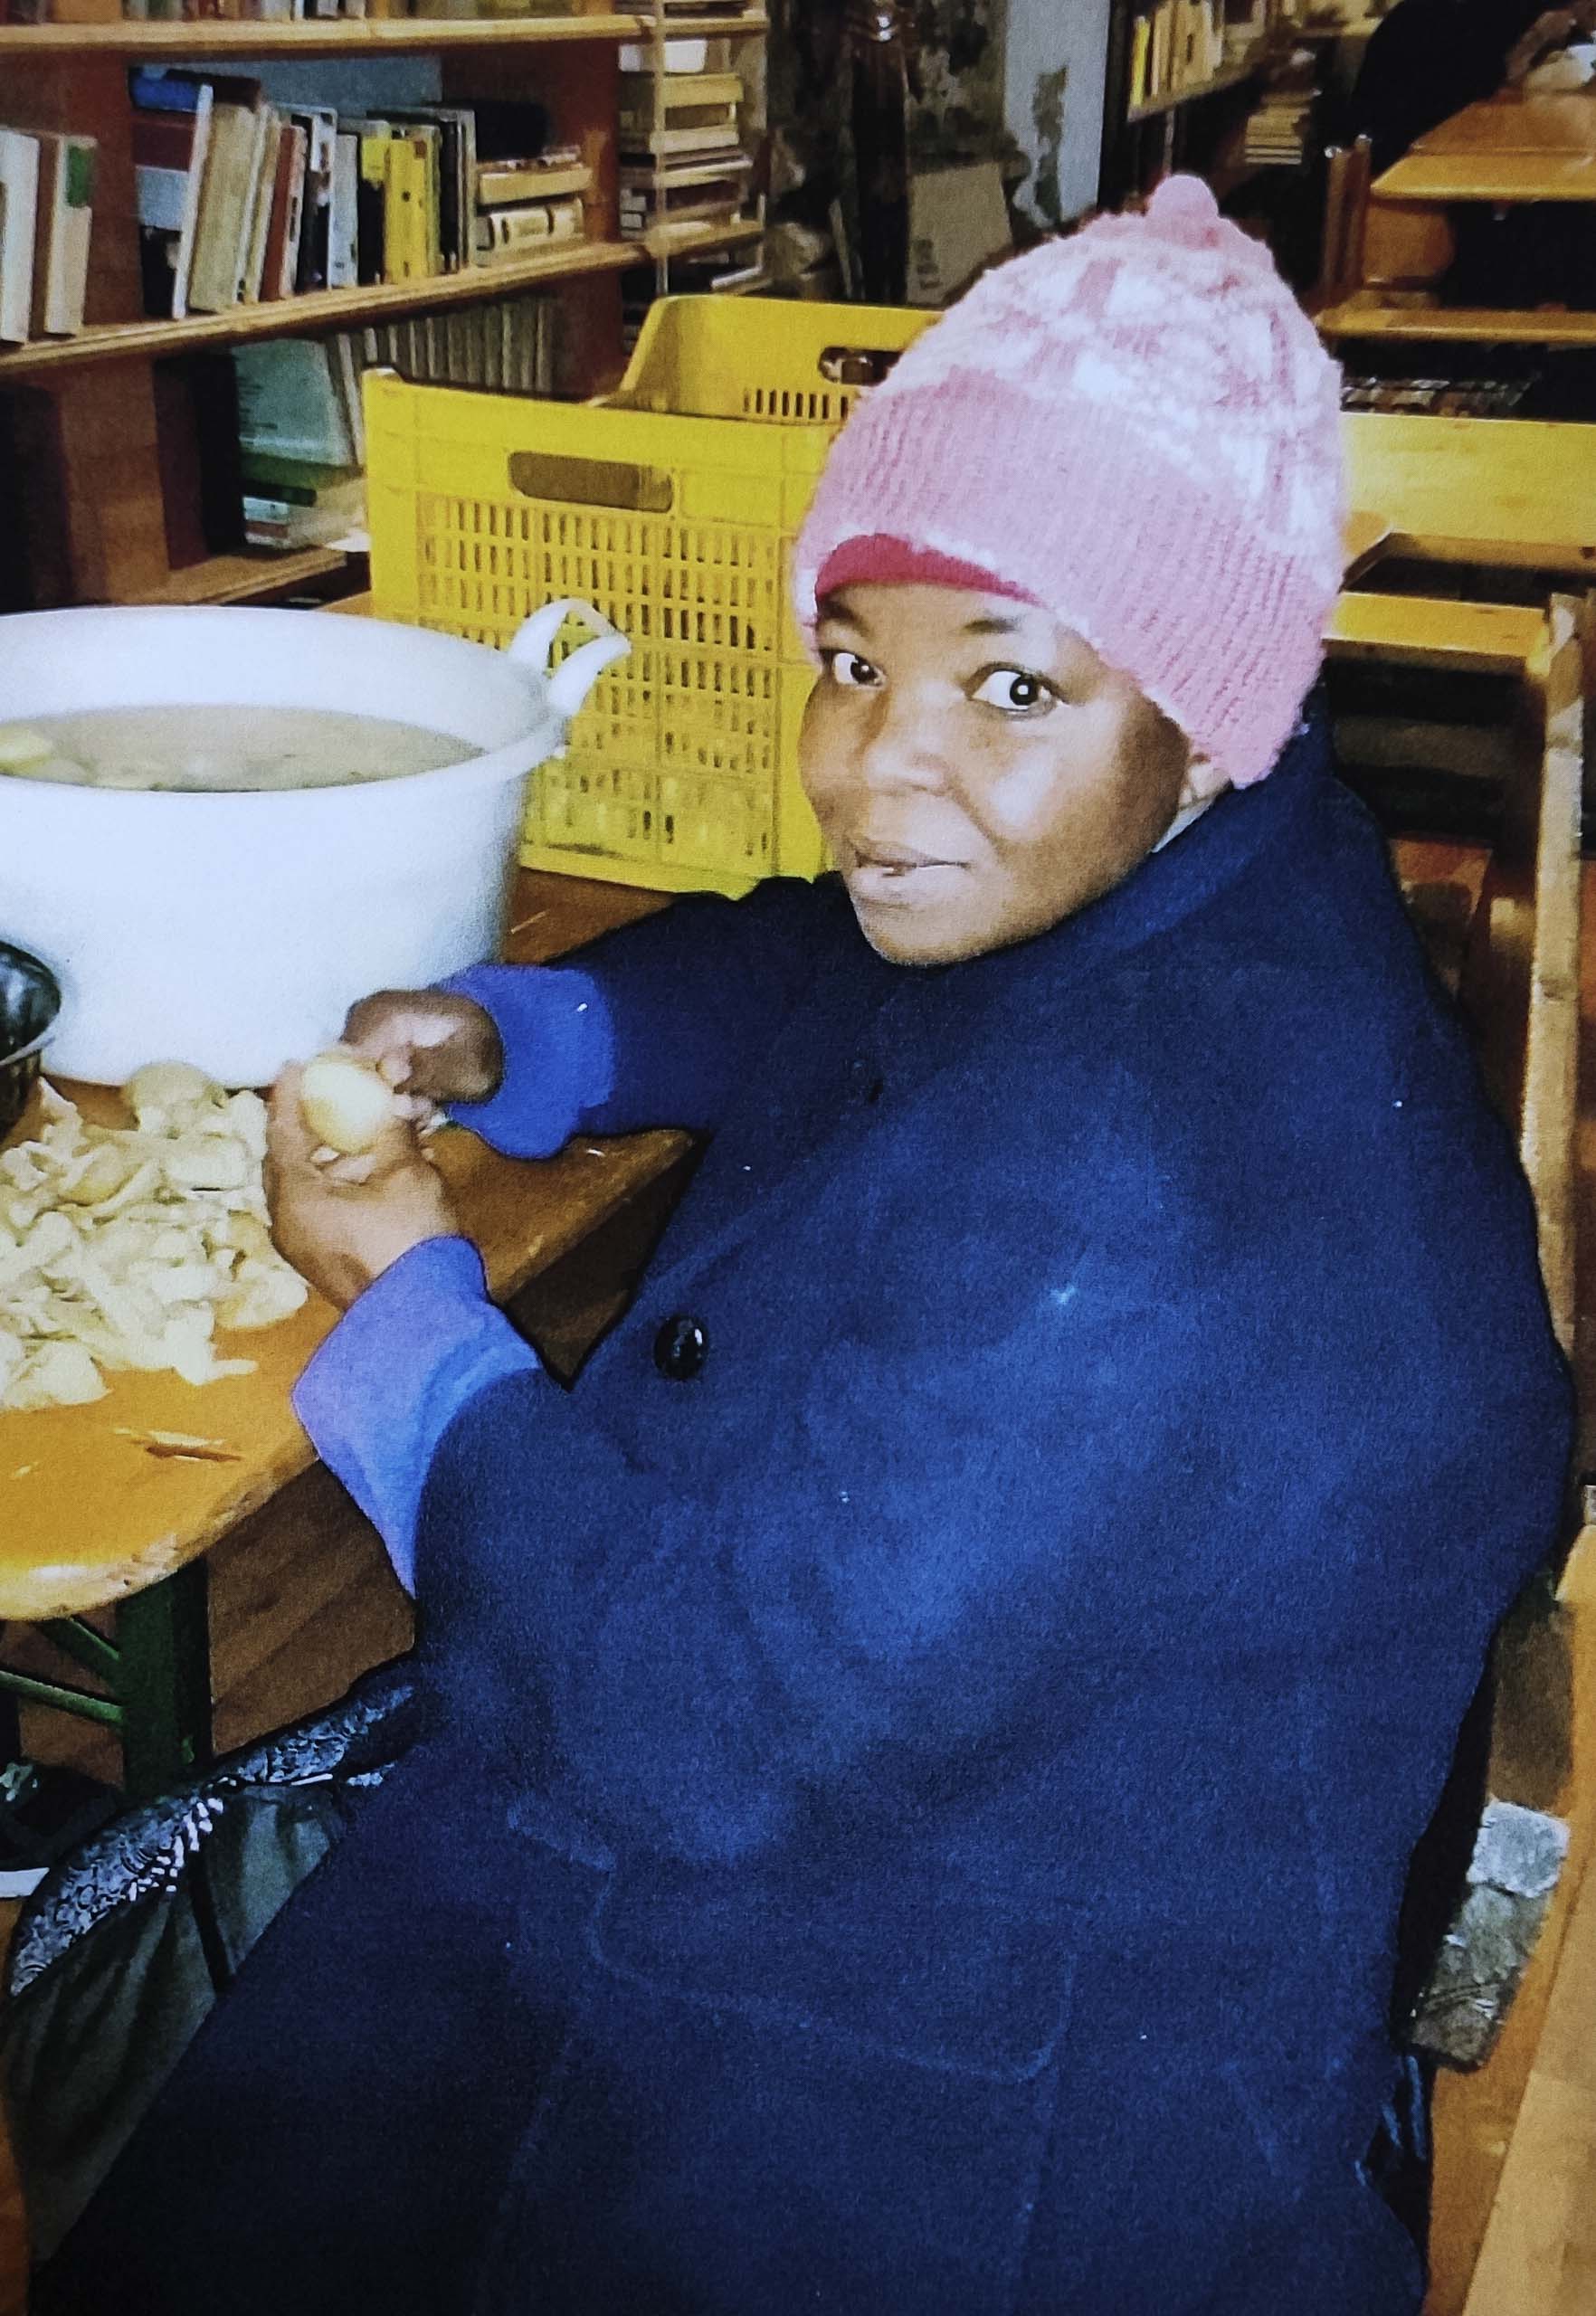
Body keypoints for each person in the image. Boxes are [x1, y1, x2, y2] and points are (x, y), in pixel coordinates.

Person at [33, 178, 1571, 2316]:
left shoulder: (1156, 1187)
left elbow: (685, 1728)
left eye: (1007, 682)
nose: (874, 768)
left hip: (955, 2117)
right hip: (974, 1825)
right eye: (853, 657)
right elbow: (824, 959)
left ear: (1204, 709)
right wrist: (531, 1032)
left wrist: (406, 1306)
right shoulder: (1215, 862)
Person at [1347, 0, 1596, 174]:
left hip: (1435, 162)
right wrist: (1537, 36)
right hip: (1402, 177)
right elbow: (1487, 82)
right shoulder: (1438, 17)